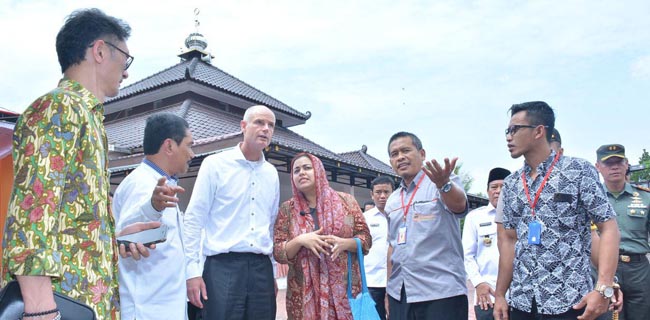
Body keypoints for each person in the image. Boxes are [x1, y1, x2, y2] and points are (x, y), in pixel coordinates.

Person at [0, 8, 160, 320]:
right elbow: (33, 213)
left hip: (84, 302)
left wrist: (118, 239)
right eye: (125, 60)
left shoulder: (86, 117)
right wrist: (40, 311)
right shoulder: (60, 107)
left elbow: (68, 223)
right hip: (58, 306)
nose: (126, 72)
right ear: (100, 51)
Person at [493, 101, 620, 320]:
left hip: (570, 300)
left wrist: (603, 288)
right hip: (524, 301)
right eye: (507, 131)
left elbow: (608, 228)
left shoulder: (578, 170)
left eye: (515, 129)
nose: (508, 137)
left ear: (539, 131)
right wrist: (501, 294)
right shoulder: (512, 184)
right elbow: (508, 242)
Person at [184, 105, 280, 319]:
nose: (265, 129)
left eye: (270, 125)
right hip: (222, 267)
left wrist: (272, 273)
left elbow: (270, 224)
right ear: (243, 127)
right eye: (259, 122)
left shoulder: (271, 173)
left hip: (261, 269)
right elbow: (193, 219)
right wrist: (191, 273)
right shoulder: (215, 165)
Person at [111, 113, 194, 320]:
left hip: (165, 305)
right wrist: (153, 206)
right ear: (169, 146)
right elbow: (127, 239)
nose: (192, 154)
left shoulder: (162, 183)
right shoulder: (141, 184)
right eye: (189, 145)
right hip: (148, 309)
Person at [273, 152, 372, 319]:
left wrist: (345, 243)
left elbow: (366, 240)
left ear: (318, 170)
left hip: (344, 289)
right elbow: (278, 252)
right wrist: (300, 241)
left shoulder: (346, 201)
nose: (302, 173)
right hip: (303, 294)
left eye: (307, 168)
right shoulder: (287, 210)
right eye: (296, 171)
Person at [384, 131, 470, 320]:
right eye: (394, 154)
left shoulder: (441, 182)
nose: (400, 157)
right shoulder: (392, 201)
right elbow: (392, 247)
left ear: (422, 154)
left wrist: (444, 185)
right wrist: (389, 291)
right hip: (401, 292)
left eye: (406, 150)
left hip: (441, 292)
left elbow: (459, 206)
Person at [594, 144, 650, 320]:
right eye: (608, 163)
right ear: (598, 167)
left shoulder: (645, 197)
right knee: (607, 317)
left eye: (619, 162)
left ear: (627, 164)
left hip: (638, 271)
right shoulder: (591, 198)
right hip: (602, 269)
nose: (615, 167)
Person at [462, 167, 511, 320]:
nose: (498, 191)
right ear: (488, 190)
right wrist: (478, 283)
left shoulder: (522, 215)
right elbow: (466, 255)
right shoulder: (475, 217)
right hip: (486, 295)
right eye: (493, 187)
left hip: (517, 298)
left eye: (503, 187)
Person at [363, 176, 395, 319]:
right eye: (378, 192)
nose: (382, 196)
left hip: (397, 281)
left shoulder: (400, 215)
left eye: (386, 192)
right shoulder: (364, 219)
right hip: (372, 281)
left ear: (393, 193)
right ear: (372, 194)